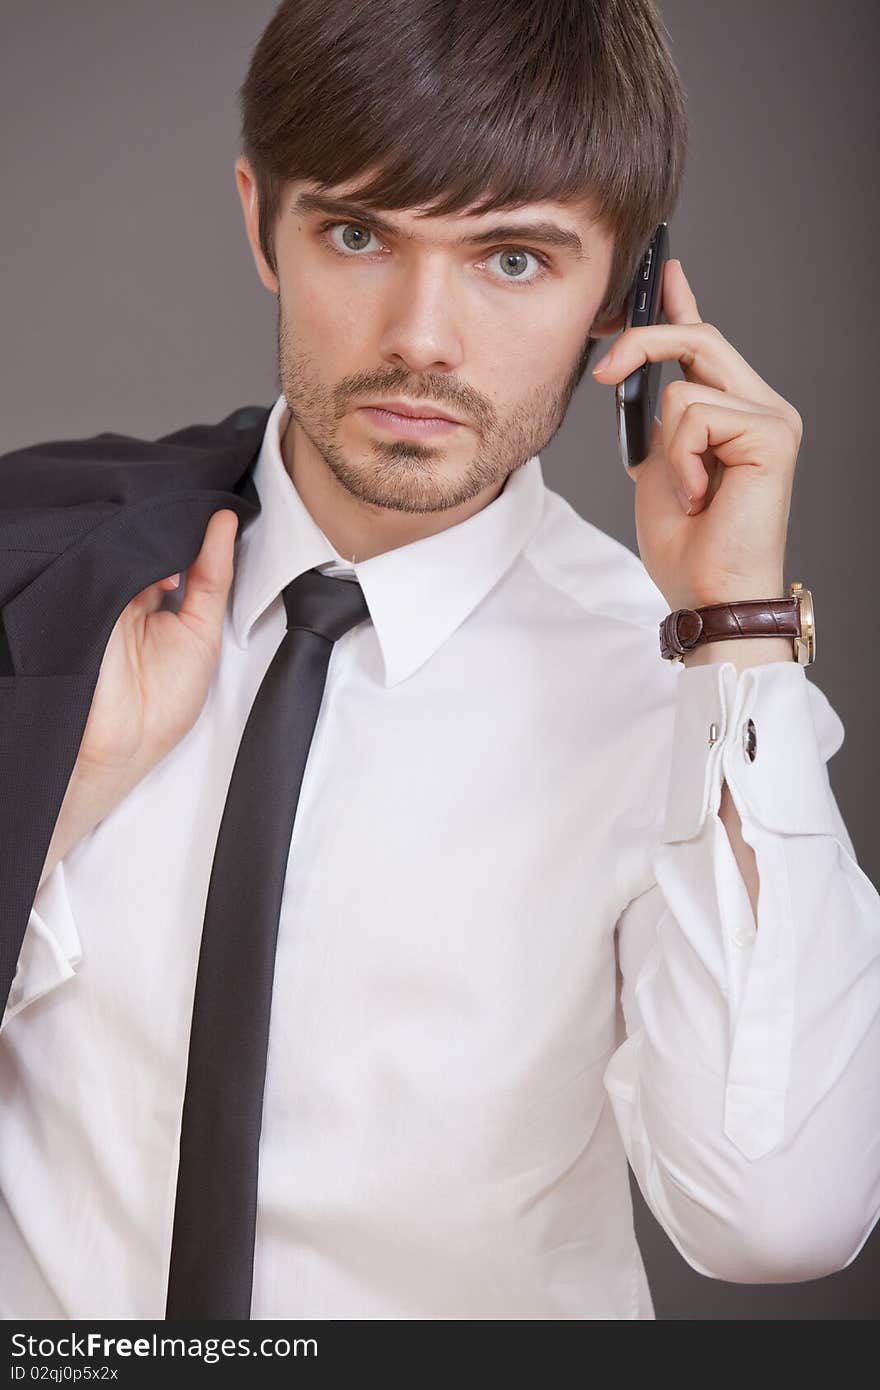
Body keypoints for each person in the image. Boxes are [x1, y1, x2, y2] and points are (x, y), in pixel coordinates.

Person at [2, 0, 879, 1321]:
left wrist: (732, 636)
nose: (422, 336)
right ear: (260, 222)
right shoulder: (43, 570)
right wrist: (50, 799)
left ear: (624, 290)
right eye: (359, 234)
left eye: (513, 260)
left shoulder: (682, 694)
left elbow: (782, 1218)